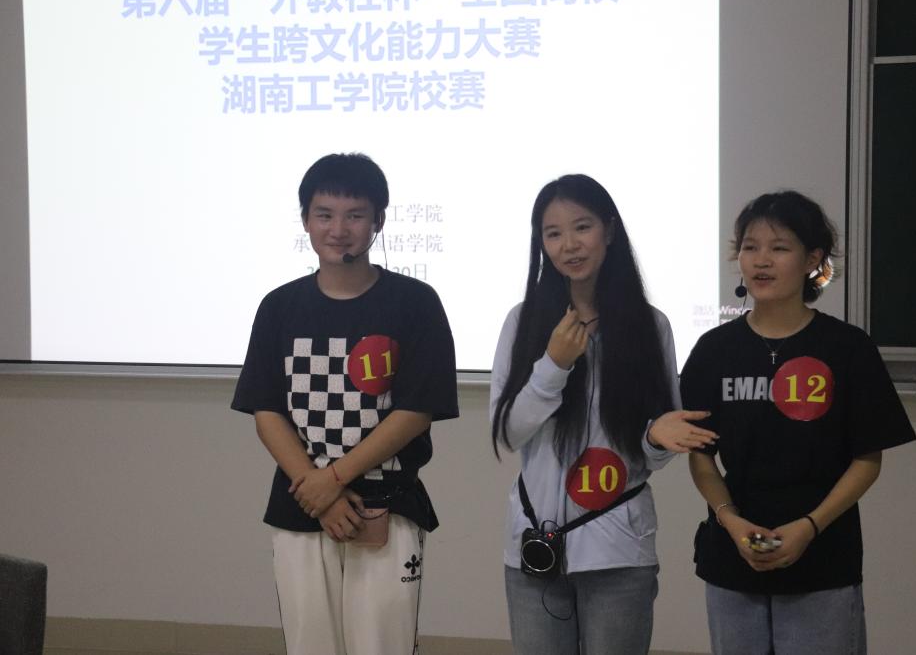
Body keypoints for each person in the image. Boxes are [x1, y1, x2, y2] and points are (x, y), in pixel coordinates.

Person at [231, 152, 459, 655]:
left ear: (379, 220)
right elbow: (266, 410)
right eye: (325, 214)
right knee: (310, 645)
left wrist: (333, 480)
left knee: (382, 645)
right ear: (305, 221)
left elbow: (415, 410)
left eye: (355, 215)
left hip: (387, 504)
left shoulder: (415, 302)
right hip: (302, 505)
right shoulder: (279, 306)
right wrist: (319, 491)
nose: (339, 229)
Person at [680, 190, 916, 654]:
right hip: (733, 554)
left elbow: (867, 458)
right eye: (750, 247)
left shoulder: (847, 347)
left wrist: (809, 526)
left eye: (779, 247)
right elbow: (701, 456)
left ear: (812, 259)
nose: (761, 260)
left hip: (822, 557)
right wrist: (731, 522)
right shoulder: (714, 349)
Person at [490, 173, 717, 655]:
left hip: (619, 549)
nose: (569, 245)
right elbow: (508, 433)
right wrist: (553, 366)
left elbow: (656, 452)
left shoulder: (650, 325)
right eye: (553, 233)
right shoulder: (523, 321)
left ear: (609, 231)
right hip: (537, 542)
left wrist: (655, 438)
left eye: (582, 227)